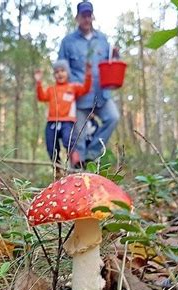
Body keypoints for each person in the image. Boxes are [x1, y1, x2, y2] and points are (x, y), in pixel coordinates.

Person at [58, 0, 120, 169]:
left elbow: (110, 63)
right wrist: (70, 89)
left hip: (101, 93)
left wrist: (115, 56)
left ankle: (92, 155)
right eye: (83, 16)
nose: (86, 19)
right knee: (78, 133)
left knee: (113, 117)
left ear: (92, 17)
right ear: (77, 18)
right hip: (79, 95)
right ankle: (78, 171)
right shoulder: (68, 42)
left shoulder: (102, 39)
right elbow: (61, 68)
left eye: (88, 15)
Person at [34, 60, 92, 172]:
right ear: (54, 75)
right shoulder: (51, 89)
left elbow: (85, 88)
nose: (60, 74)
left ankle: (76, 165)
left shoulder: (72, 87)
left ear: (67, 73)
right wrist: (38, 82)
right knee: (51, 146)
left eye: (62, 71)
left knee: (68, 141)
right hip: (52, 122)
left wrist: (88, 74)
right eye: (56, 72)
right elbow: (41, 97)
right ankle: (57, 169)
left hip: (67, 122)